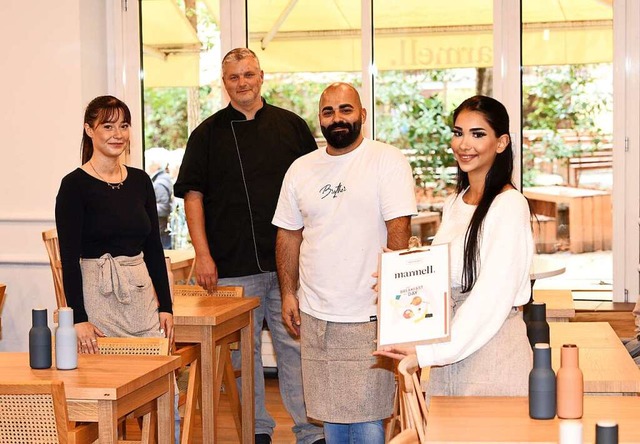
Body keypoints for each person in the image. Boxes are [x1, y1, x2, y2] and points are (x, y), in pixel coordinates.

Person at [173, 48, 324, 444]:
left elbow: (315, 192)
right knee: (244, 356)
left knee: (296, 349)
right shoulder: (205, 134)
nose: (242, 82)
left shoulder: (291, 126)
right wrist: (203, 256)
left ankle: (310, 432)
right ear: (224, 84)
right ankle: (256, 429)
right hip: (232, 263)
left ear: (261, 77)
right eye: (233, 77)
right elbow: (192, 196)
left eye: (248, 74)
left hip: (288, 264)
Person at [273, 82, 417, 444]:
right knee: (331, 415)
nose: (337, 118)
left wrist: (393, 303)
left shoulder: (386, 160)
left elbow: (398, 229)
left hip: (368, 312)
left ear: (362, 115)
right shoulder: (301, 169)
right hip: (317, 313)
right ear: (319, 119)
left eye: (345, 109)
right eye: (328, 111)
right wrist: (288, 294)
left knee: (368, 419)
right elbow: (288, 235)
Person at [375, 95, 534, 397]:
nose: (464, 144)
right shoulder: (454, 203)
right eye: (458, 132)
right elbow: (448, 279)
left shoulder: (509, 204)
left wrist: (430, 353)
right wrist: (401, 276)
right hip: (450, 353)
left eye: (478, 134)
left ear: (501, 143)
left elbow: (491, 296)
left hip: (493, 353)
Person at [56, 95, 179, 441]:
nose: (117, 134)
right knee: (108, 393)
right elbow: (69, 259)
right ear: (89, 130)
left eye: (123, 125)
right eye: (107, 126)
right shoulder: (74, 186)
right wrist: (78, 318)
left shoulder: (141, 181)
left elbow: (154, 248)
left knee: (161, 388)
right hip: (98, 296)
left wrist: (166, 306)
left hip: (141, 297)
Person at [145, 148, 174, 249]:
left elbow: (164, 207)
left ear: (155, 164)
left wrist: (145, 208)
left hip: (161, 230)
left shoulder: (159, 184)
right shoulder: (164, 179)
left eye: (149, 161)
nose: (147, 164)